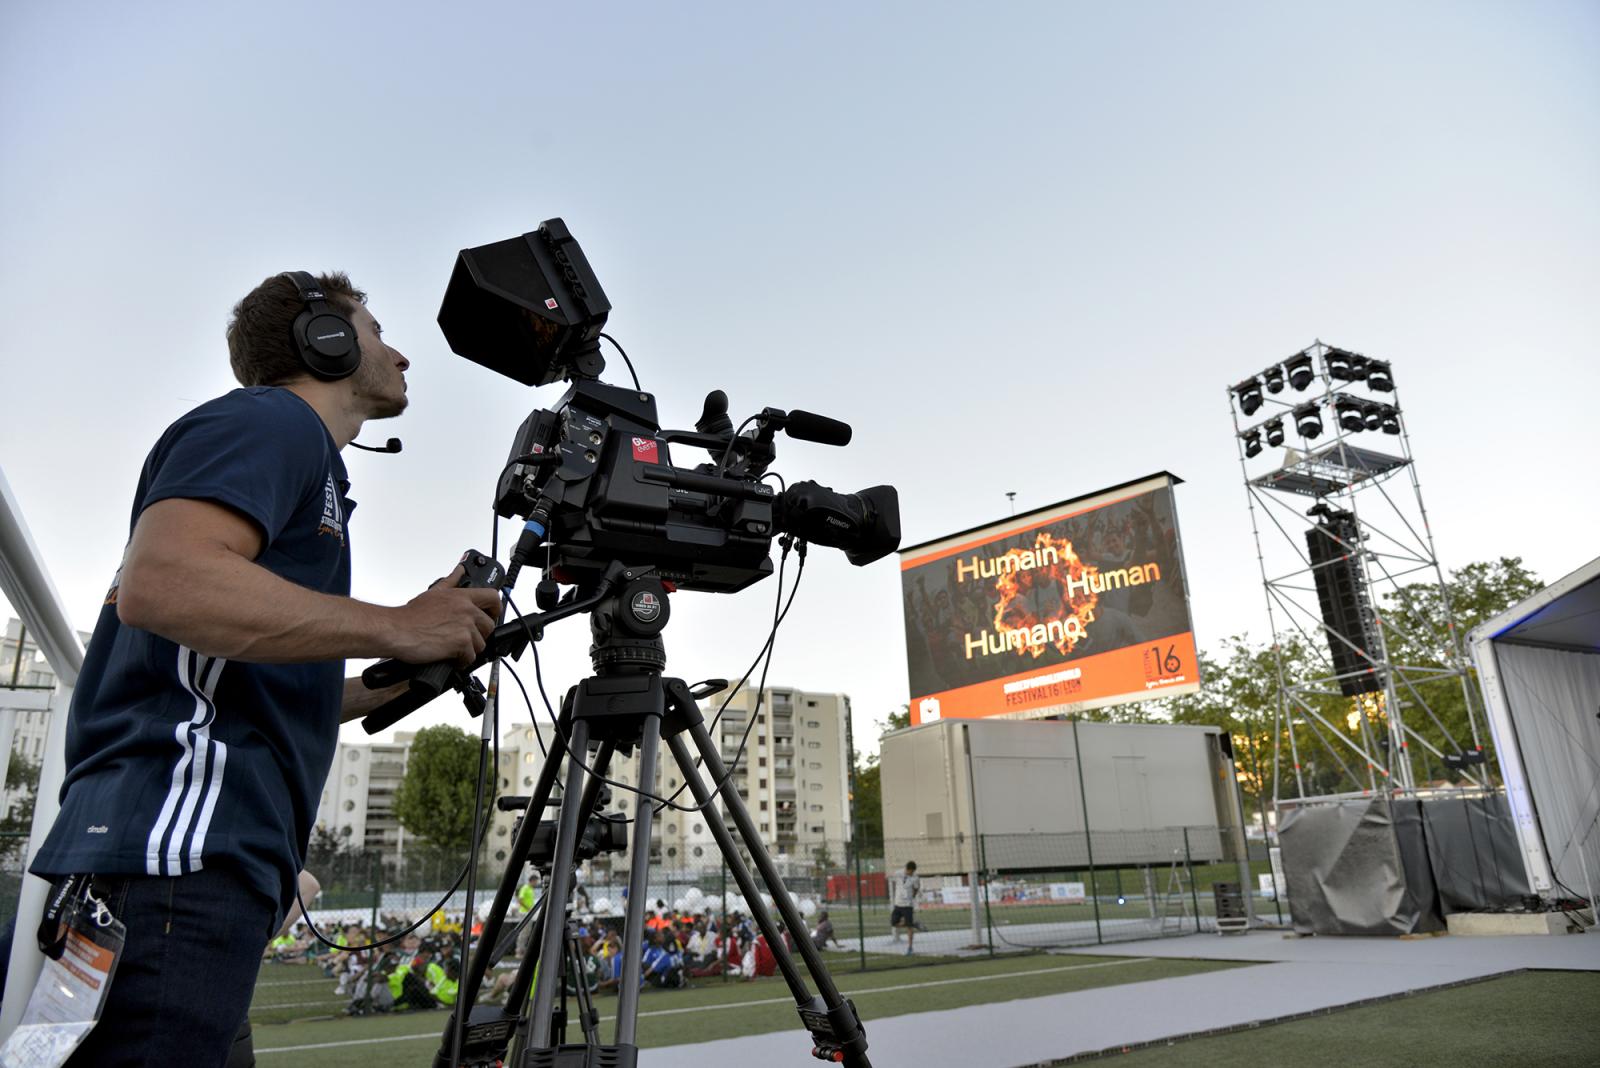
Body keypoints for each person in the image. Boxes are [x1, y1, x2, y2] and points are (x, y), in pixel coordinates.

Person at [24, 271, 503, 1067]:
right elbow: (164, 584)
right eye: (377, 329)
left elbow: (231, 678)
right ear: (329, 340)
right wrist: (400, 624)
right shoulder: (273, 421)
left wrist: (389, 672)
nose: (403, 355)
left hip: (171, 865)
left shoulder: (289, 457)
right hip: (182, 863)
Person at [891, 861, 921, 955]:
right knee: (894, 923)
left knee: (909, 927)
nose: (911, 873)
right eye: (910, 871)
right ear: (906, 869)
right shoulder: (898, 873)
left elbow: (916, 888)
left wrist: (912, 896)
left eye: (912, 872)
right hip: (898, 904)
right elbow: (894, 882)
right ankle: (913, 923)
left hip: (908, 905)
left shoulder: (915, 877)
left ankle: (910, 948)